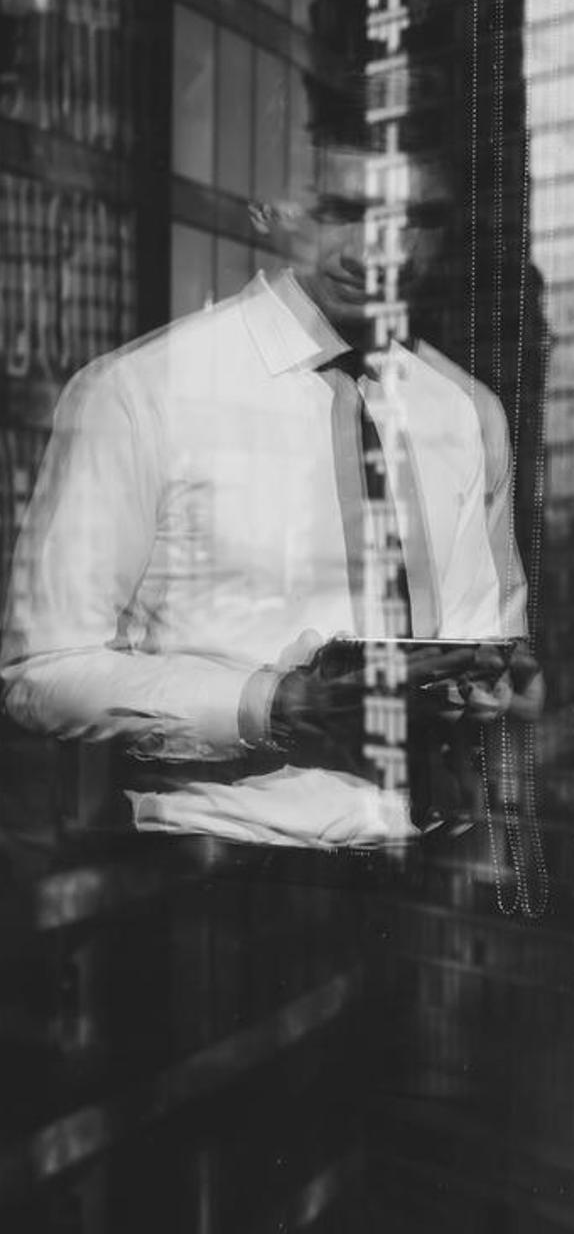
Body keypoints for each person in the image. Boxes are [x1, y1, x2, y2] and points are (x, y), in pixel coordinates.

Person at [0, 129, 540, 847]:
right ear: (278, 211)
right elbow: (41, 674)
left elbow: (498, 648)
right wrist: (270, 706)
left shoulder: (467, 413)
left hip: (432, 877)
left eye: (418, 221)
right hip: (221, 880)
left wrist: (492, 690)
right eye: (344, 209)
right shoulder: (139, 394)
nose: (379, 250)